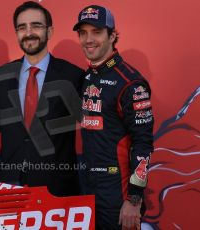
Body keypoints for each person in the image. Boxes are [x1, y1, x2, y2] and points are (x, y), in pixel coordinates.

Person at [0, 1, 84, 197]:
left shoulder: (73, 76)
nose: (29, 32)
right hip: (9, 185)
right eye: (22, 27)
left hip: (57, 189)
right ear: (16, 34)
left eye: (36, 25)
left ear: (50, 31)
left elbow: (94, 129)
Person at [73, 5, 154, 229]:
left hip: (117, 196)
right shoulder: (89, 75)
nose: (89, 39)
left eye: (96, 32)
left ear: (112, 35)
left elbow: (143, 144)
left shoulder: (130, 83)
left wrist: (134, 200)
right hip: (89, 188)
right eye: (83, 33)